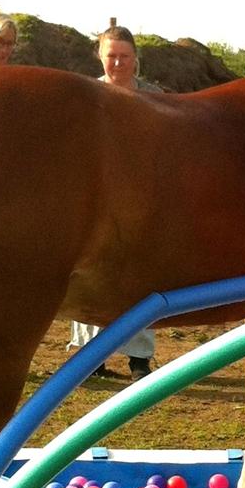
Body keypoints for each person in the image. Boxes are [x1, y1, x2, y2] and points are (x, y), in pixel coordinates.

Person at [67, 20, 161, 381]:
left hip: (142, 200)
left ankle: (139, 358)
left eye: (125, 57)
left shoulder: (154, 97)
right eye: (111, 57)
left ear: (136, 59)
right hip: (95, 201)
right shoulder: (87, 95)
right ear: (100, 57)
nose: (118, 64)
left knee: (141, 277)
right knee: (90, 276)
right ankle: (91, 358)